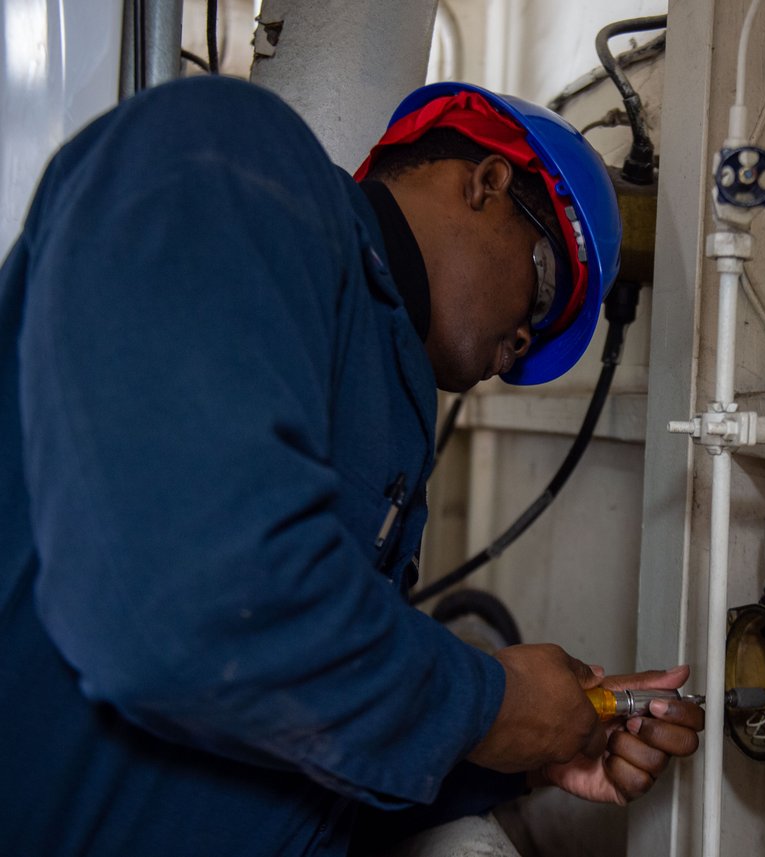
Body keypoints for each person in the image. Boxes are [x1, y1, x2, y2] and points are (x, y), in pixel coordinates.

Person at [0, 75, 702, 856]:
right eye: (543, 291)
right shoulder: (229, 158)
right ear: (488, 181)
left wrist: (526, 756)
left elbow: (291, 732)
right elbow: (184, 607)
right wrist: (493, 707)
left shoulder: (391, 405)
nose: (526, 344)